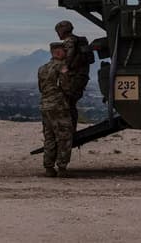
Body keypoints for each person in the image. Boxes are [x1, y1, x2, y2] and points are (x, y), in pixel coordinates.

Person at [38, 41, 73, 178]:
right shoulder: (61, 67)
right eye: (64, 51)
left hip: (45, 105)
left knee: (49, 137)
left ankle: (49, 167)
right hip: (58, 106)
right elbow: (66, 87)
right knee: (64, 137)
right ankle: (62, 168)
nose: (66, 53)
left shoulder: (42, 68)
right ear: (58, 52)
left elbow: (41, 88)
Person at [55, 20, 93, 132]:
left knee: (67, 103)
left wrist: (61, 70)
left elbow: (68, 59)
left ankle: (69, 131)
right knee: (70, 104)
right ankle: (70, 130)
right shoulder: (80, 41)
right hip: (81, 77)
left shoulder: (70, 41)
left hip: (73, 78)